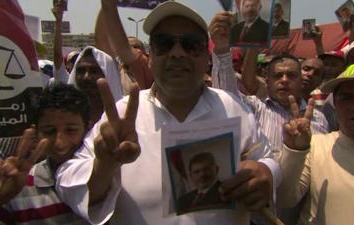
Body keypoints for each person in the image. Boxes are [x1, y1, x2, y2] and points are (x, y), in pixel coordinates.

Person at [56, 1, 279, 225]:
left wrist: (266, 173)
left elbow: (268, 160)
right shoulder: (123, 114)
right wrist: (104, 167)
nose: (177, 53)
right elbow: (67, 180)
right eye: (164, 44)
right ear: (150, 56)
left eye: (191, 45)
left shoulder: (233, 108)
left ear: (206, 57)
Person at [278, 63, 354, 225]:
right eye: (346, 98)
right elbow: (284, 199)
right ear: (335, 105)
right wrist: (294, 151)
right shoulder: (315, 147)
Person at [210, 12, 328, 159]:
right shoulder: (254, 108)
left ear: (300, 80)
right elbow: (226, 97)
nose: (284, 80)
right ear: (267, 80)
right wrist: (222, 49)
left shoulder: (319, 118)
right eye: (277, 76)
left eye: (291, 75)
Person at [0, 83, 91, 224]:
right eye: (49, 131)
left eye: (71, 130)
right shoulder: (17, 186)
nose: (59, 143)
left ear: (88, 129)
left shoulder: (104, 176)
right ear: (36, 132)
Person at [68, 46, 123, 128]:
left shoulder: (124, 115)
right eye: (81, 71)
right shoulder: (66, 119)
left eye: (94, 71)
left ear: (108, 75)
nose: (86, 77)